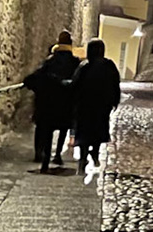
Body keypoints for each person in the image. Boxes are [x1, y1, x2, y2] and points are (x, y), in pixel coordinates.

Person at [21, 31, 79, 173]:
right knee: (63, 129)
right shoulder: (75, 63)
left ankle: (41, 155)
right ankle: (58, 154)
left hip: (46, 103)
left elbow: (35, 78)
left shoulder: (50, 62)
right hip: (65, 103)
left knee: (45, 129)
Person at [71, 37, 123, 183]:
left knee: (84, 132)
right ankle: (94, 153)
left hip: (85, 105)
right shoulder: (109, 66)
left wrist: (74, 102)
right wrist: (114, 101)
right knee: (98, 130)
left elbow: (75, 85)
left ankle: (83, 159)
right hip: (102, 105)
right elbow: (115, 84)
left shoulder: (84, 67)